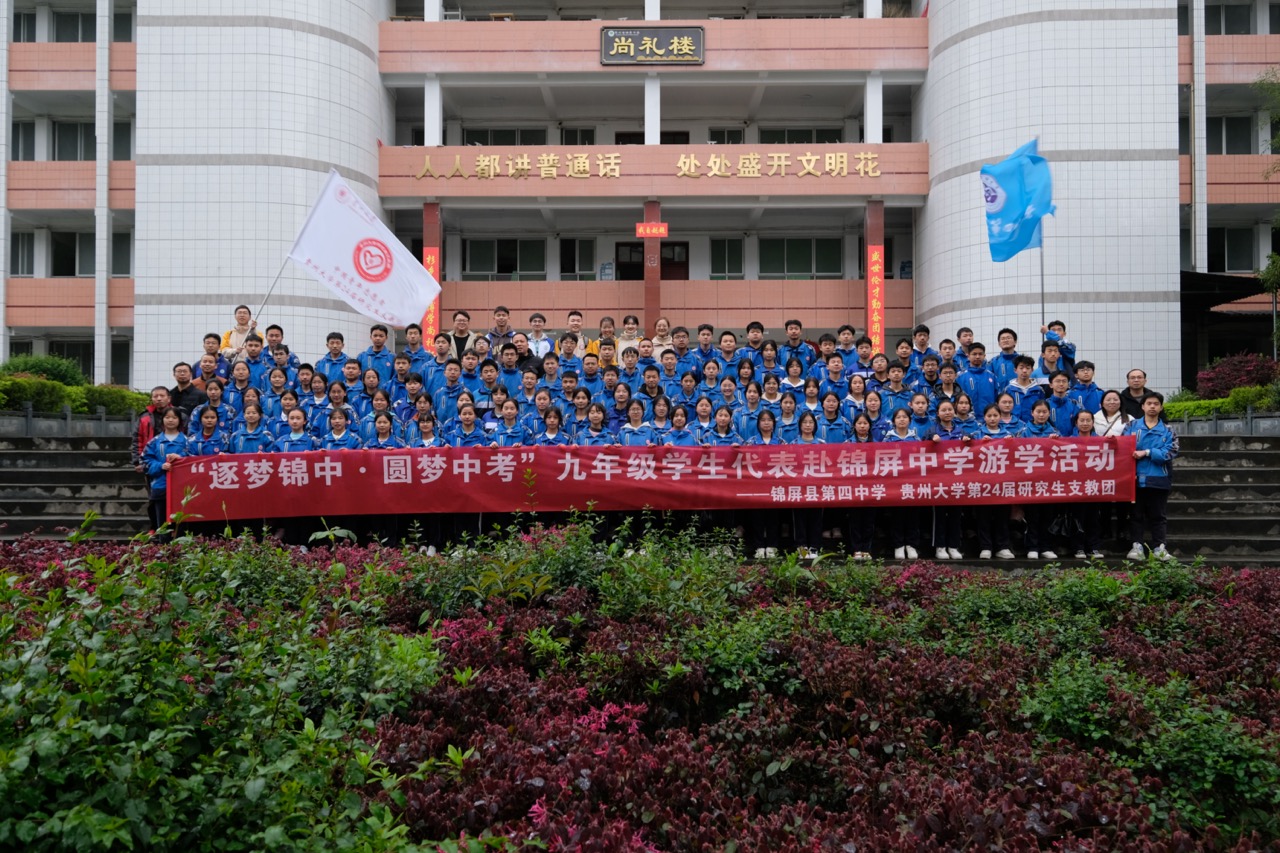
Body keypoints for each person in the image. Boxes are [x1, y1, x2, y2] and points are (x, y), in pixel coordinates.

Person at [1124, 391, 1179, 561]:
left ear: (1161, 407)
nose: (1152, 407)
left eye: (1156, 404)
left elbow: (1171, 452)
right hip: (1135, 478)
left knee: (1158, 515)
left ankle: (1159, 547)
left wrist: (1147, 452)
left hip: (1159, 478)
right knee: (1136, 515)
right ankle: (1137, 546)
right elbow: (1124, 448)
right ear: (1142, 406)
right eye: (1149, 404)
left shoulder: (1168, 430)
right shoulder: (1131, 426)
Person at [141, 406, 189, 541]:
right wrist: (160, 466)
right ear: (162, 420)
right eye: (167, 417)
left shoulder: (187, 441)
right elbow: (144, 461)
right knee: (162, 524)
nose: (171, 420)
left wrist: (181, 459)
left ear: (180, 420)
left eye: (174, 417)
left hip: (182, 488)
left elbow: (194, 459)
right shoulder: (155, 441)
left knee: (181, 524)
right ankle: (163, 547)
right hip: (160, 486)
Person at [745, 409, 785, 559]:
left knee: (774, 517)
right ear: (758, 423)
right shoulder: (750, 442)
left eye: (769, 420)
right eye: (763, 420)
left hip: (775, 484)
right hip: (756, 485)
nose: (766, 423)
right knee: (757, 517)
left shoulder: (781, 442)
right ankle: (759, 546)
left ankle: (773, 546)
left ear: (774, 423)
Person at [882, 407, 921, 560]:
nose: (902, 420)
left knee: (913, 515)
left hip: (912, 483)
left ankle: (911, 544)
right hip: (895, 484)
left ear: (910, 420)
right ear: (894, 421)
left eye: (905, 417)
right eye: (898, 417)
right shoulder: (888, 439)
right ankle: (898, 545)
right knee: (897, 515)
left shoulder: (916, 439)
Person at [790, 411, 824, 559]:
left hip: (817, 487)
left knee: (816, 519)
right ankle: (801, 547)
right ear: (800, 425)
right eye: (805, 422)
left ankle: (814, 547)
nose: (808, 425)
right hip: (798, 487)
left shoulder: (822, 444)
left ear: (815, 425)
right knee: (799, 519)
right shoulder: (793, 444)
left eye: (811, 422)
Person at [132, 386, 173, 476]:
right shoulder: (144, 417)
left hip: (173, 458)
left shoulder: (179, 415)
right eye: (155, 396)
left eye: (162, 396)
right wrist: (137, 461)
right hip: (150, 458)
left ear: (169, 398)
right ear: (152, 399)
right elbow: (137, 439)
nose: (159, 399)